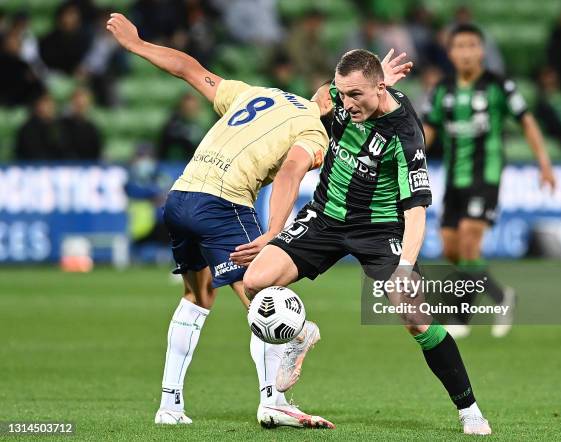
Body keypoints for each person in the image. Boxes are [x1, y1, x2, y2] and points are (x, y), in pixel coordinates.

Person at [106, 11, 413, 429]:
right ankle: (276, 396)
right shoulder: (315, 131)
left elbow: (190, 69)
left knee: (197, 299)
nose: (346, 104)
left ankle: (169, 406)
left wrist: (136, 44)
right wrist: (273, 233)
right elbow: (289, 173)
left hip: (180, 198)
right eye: (342, 98)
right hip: (223, 204)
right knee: (265, 298)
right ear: (332, 105)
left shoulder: (257, 93)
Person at [241, 49, 493, 436]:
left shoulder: (406, 134)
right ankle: (302, 332)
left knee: (414, 316)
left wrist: (406, 267)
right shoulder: (342, 98)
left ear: (380, 87)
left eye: (355, 95)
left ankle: (469, 409)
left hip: (378, 228)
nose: (346, 104)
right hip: (325, 215)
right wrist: (348, 92)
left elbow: (416, 211)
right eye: (343, 93)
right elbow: (320, 99)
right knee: (256, 280)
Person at [421, 24, 556, 338]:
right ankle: (501, 296)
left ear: (481, 51)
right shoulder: (442, 90)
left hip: (486, 175)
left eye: (472, 45)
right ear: (450, 53)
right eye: (460, 46)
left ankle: (459, 317)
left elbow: (527, 121)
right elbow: (428, 130)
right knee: (452, 250)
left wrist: (544, 163)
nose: (466, 52)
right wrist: (406, 160)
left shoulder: (498, 86)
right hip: (455, 178)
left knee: (470, 239)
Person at [15, 93, 63, 160]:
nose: (51, 106)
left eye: (51, 103)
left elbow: (62, 149)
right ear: (38, 105)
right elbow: (33, 153)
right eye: (46, 102)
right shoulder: (28, 128)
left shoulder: (56, 126)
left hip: (57, 166)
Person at [157, 92, 203, 161]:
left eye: (193, 108)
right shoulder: (173, 123)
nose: (191, 110)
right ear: (182, 107)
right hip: (171, 162)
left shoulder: (202, 123)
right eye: (188, 108)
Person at [59, 88, 102, 160]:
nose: (80, 106)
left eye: (83, 104)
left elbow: (96, 152)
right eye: (77, 103)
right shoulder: (62, 124)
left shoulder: (91, 128)